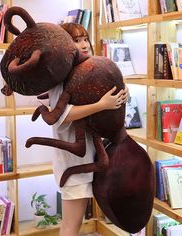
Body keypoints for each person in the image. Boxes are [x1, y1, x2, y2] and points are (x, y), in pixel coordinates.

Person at [46, 23, 129, 236]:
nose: (83, 44)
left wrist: (119, 96)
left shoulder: (87, 70)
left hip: (88, 159)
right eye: (76, 40)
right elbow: (61, 116)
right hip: (73, 162)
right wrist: (102, 104)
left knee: (74, 224)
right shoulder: (59, 77)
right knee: (71, 226)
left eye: (84, 39)